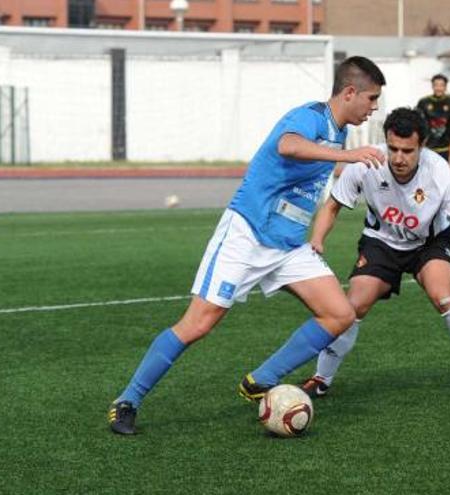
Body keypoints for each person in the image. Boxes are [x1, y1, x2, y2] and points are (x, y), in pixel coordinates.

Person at [107, 56, 387, 435]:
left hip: (288, 246)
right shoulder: (310, 116)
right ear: (350, 92)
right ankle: (127, 401)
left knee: (339, 314)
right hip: (248, 234)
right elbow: (288, 146)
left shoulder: (337, 133)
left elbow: (313, 165)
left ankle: (261, 380)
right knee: (198, 324)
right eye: (371, 99)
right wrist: (347, 156)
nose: (374, 108)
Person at [300, 107, 450, 402]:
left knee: (446, 299)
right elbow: (332, 206)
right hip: (380, 242)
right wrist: (317, 239)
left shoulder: (438, 171)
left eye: (407, 150)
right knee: (353, 305)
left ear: (422, 146)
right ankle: (321, 377)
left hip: (428, 244)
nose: (398, 158)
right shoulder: (366, 163)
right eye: (393, 149)